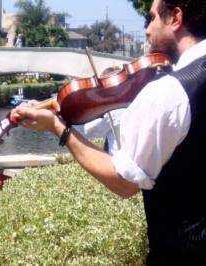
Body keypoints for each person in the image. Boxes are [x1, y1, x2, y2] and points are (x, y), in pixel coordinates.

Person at [12, 0, 206, 264]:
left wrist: (59, 128)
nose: (147, 29)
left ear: (175, 18)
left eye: (150, 19)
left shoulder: (169, 92)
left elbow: (125, 183)